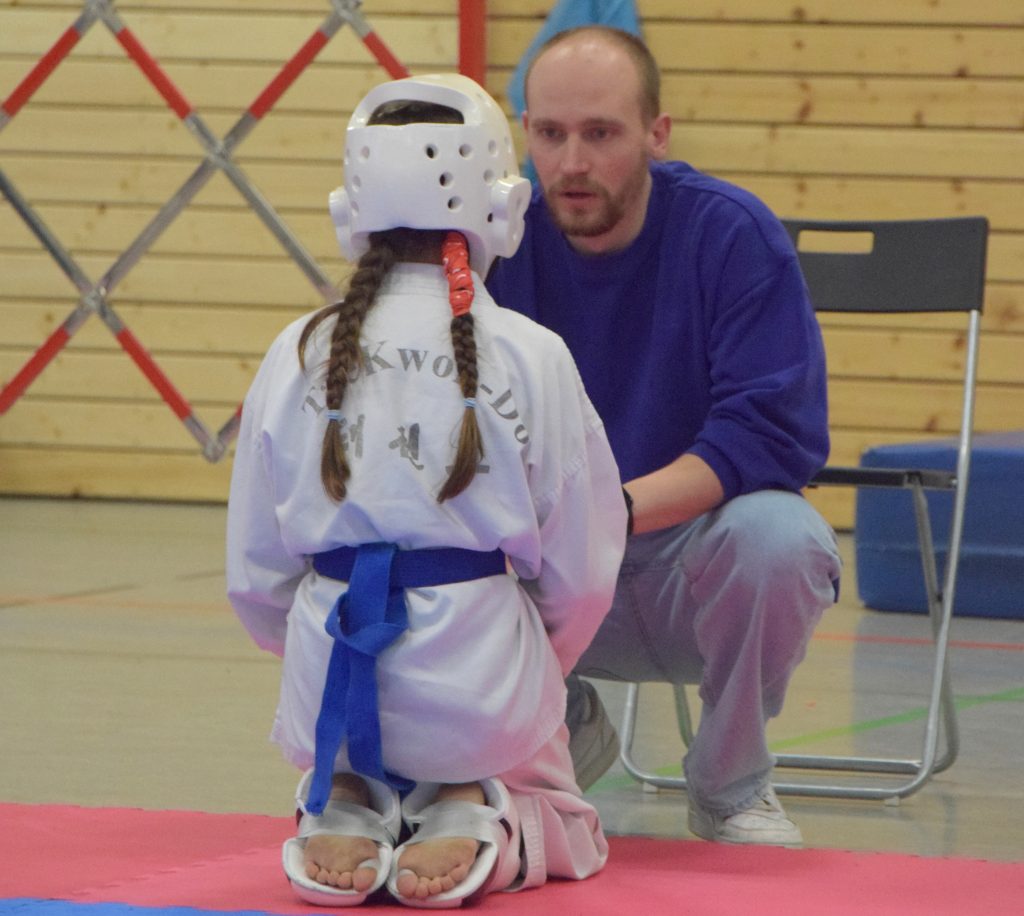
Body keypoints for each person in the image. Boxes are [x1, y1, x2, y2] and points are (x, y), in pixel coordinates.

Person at [226, 73, 626, 908]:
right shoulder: (532, 354)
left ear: (351, 210)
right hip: (481, 685)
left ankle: (346, 791)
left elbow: (255, 577)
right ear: (503, 205)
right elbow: (583, 575)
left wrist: (313, 643)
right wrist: (532, 668)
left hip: (328, 672)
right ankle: (479, 803)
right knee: (562, 800)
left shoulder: (294, 350)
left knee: (346, 695)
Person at [487, 26, 843, 848]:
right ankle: (558, 725)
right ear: (526, 133)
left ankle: (730, 783)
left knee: (782, 538)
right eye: (550, 134)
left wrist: (606, 511)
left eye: (601, 133)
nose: (572, 162)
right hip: (553, 575)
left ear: (657, 133)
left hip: (688, 564)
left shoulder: (731, 233)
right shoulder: (495, 248)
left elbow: (770, 433)